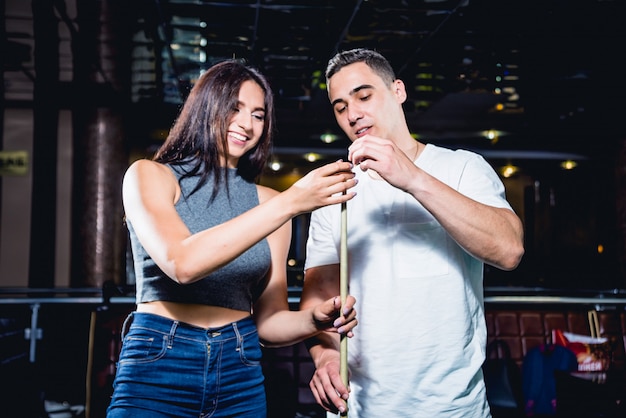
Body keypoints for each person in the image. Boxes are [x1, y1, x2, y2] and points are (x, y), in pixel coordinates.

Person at [107, 59, 359, 418]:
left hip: (239, 365)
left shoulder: (270, 203)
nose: (247, 124)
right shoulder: (150, 176)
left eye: (258, 115)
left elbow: (269, 323)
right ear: (205, 106)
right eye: (234, 108)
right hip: (159, 358)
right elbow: (182, 263)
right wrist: (292, 202)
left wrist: (315, 320)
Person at [299, 48, 525, 417]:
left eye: (364, 95)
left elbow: (509, 249)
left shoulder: (462, 167)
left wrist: (412, 178)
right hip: (358, 407)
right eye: (340, 107)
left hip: (451, 407)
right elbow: (318, 298)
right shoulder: (335, 190)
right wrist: (324, 356)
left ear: (398, 91)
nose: (353, 114)